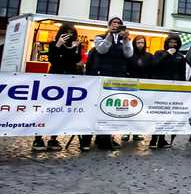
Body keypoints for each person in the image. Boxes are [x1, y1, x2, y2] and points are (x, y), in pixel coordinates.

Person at [88, 17, 133, 150]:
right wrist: (109, 35)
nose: (116, 25)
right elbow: (102, 50)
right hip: (103, 76)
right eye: (114, 23)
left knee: (112, 107)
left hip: (118, 77)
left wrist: (126, 39)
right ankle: (99, 137)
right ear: (108, 25)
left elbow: (129, 54)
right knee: (100, 107)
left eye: (119, 24)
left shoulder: (124, 39)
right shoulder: (100, 37)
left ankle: (107, 136)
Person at [41, 22, 82, 151]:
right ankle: (38, 137)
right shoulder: (54, 44)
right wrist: (58, 45)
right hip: (55, 78)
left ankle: (53, 138)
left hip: (69, 79)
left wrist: (75, 48)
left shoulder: (76, 45)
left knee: (61, 110)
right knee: (46, 109)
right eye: (67, 32)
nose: (69, 35)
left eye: (72, 33)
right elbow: (52, 60)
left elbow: (76, 60)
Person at [148, 34, 188, 148]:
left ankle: (162, 139)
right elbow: (155, 65)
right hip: (160, 89)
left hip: (173, 90)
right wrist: (167, 54)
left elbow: (182, 74)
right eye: (171, 42)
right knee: (158, 114)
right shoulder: (159, 53)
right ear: (167, 43)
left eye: (175, 42)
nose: (173, 44)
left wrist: (182, 88)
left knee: (167, 115)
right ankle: (153, 139)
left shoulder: (180, 57)